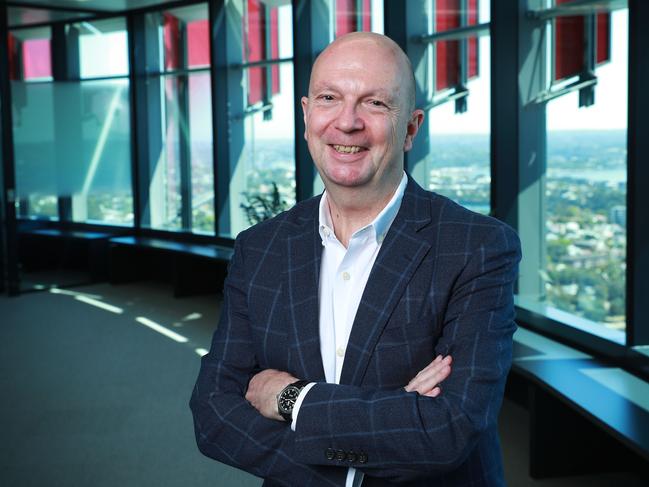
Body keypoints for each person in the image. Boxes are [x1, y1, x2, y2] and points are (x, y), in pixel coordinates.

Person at [190, 32, 521, 487]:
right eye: (329, 98)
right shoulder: (259, 248)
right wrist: (364, 453)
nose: (347, 123)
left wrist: (292, 399)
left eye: (375, 104)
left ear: (410, 129)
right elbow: (213, 413)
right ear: (306, 116)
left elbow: (448, 427)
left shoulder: (478, 246)